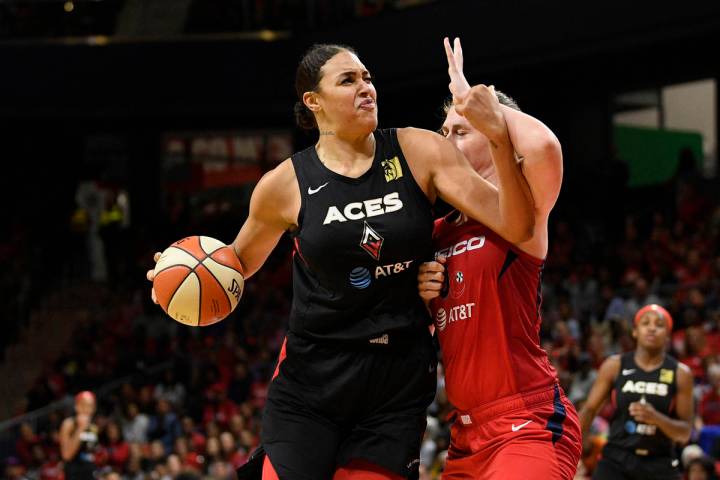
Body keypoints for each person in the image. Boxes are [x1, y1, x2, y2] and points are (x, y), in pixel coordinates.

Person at [148, 41, 534, 479]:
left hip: (395, 382)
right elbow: (233, 264)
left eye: (367, 78)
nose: (366, 88)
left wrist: (500, 135)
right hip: (314, 380)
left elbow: (516, 224)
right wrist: (174, 277)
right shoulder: (284, 184)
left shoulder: (420, 151)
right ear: (313, 101)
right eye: (348, 80)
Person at [416, 38, 581, 479]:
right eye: (445, 130)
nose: (446, 139)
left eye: (461, 129)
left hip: (526, 423)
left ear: (493, 140)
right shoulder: (434, 233)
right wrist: (419, 299)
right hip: (466, 437)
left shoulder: (523, 210)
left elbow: (544, 148)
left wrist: (486, 109)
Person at [579, 304, 693, 479]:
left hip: (660, 461)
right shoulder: (614, 365)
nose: (652, 328)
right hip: (616, 458)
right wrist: (572, 447)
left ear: (668, 336)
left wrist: (656, 418)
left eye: (659, 325)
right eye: (645, 323)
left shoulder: (681, 373)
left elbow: (685, 433)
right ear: (635, 331)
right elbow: (589, 410)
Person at [59, 391, 100, 480]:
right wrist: (80, 429)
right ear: (76, 406)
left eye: (90, 405)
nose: (86, 409)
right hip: (73, 472)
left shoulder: (94, 426)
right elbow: (66, 455)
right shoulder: (68, 424)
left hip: (89, 471)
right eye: (83, 405)